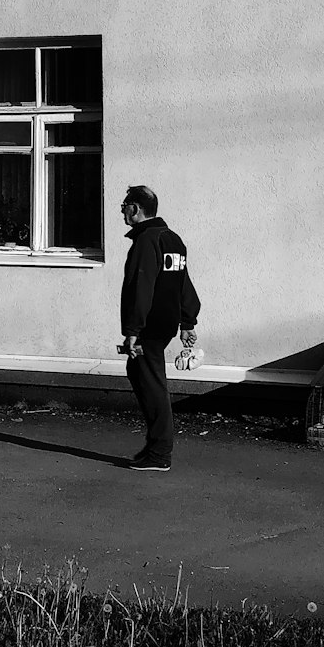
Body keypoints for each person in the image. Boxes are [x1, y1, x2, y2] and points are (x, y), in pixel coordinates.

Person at [117, 185, 201, 472]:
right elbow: (183, 284)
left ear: (136, 208)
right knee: (142, 376)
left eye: (124, 206)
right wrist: (187, 322)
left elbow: (141, 287)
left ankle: (160, 453)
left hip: (149, 326)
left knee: (151, 383)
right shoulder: (173, 239)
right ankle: (154, 447)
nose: (123, 212)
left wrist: (132, 330)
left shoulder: (146, 242)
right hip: (165, 324)